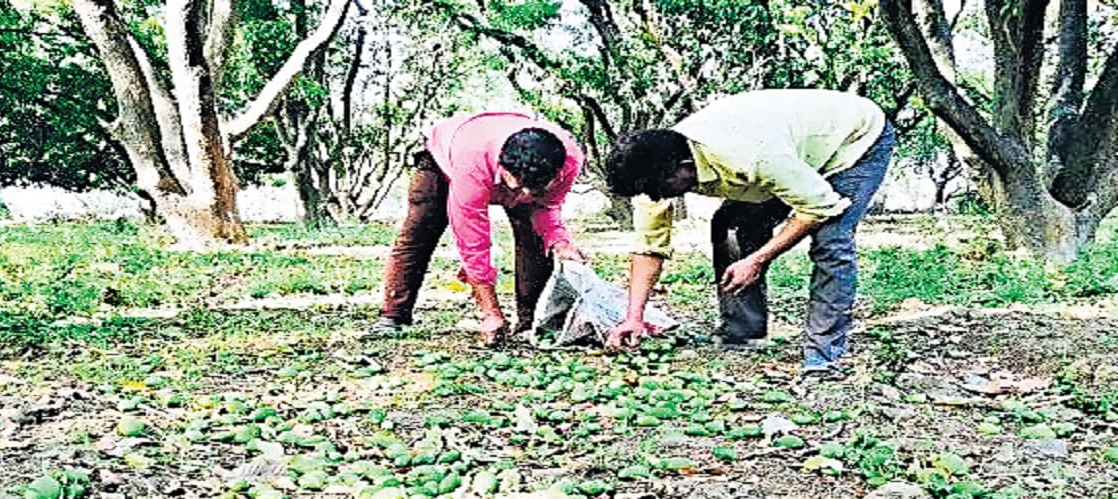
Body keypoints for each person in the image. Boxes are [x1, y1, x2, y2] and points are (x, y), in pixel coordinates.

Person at [602, 89, 895, 374]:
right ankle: (742, 334)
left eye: (658, 190)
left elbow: (819, 208)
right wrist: (634, 317)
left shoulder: (751, 156)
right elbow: (649, 249)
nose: (655, 199)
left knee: (831, 240)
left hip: (853, 140)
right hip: (790, 149)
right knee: (731, 224)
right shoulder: (654, 175)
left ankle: (823, 355)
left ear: (684, 167)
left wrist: (757, 259)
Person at [372, 112, 588, 346]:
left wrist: (560, 241)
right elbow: (473, 242)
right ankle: (394, 314)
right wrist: (490, 312)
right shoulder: (472, 164)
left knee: (533, 235)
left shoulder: (571, 159)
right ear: (503, 167)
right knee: (421, 227)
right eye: (516, 188)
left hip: (499, 155)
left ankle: (532, 322)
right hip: (446, 155)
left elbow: (548, 207)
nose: (522, 197)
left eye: (534, 189)